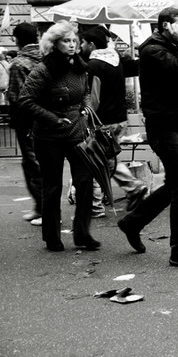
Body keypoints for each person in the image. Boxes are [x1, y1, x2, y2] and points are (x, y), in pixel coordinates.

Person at [117, 8, 178, 268]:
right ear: (167, 25)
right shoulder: (153, 50)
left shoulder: (169, 47)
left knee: (174, 186)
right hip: (164, 127)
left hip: (177, 125)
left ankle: (133, 221)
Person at [17, 21, 97, 252]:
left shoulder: (80, 66)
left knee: (85, 182)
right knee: (52, 187)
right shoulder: (43, 70)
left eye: (74, 41)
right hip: (49, 137)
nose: (72, 45)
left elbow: (86, 92)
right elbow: (25, 101)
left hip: (77, 134)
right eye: (66, 41)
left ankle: (82, 233)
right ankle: (52, 237)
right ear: (54, 44)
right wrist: (53, 118)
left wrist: (85, 106)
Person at [80, 26, 148, 216]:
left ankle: (96, 205)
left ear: (91, 44)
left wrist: (86, 117)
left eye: (83, 42)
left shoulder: (93, 65)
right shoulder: (117, 60)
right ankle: (132, 188)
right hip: (119, 119)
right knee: (107, 159)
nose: (81, 46)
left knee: (93, 159)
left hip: (101, 121)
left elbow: (93, 98)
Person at [6, 23, 43, 226]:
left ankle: (43, 208)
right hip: (46, 117)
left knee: (32, 163)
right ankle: (41, 207)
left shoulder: (19, 64)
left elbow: (17, 96)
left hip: (27, 120)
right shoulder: (46, 57)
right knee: (41, 163)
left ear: (17, 39)